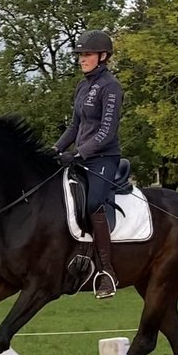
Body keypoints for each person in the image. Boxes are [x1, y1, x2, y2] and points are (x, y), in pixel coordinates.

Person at [54, 28, 124, 299]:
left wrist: (79, 153)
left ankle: (107, 272)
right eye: (80, 55)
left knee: (93, 203)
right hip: (82, 156)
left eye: (87, 54)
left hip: (104, 158)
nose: (82, 59)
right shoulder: (83, 86)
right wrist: (55, 149)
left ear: (102, 56)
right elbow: (75, 125)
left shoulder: (111, 87)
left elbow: (107, 132)